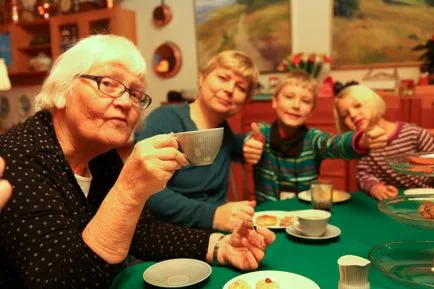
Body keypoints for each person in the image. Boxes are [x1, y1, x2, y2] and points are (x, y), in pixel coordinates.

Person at [0, 35, 275, 289]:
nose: (125, 102)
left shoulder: (99, 154)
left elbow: (140, 231)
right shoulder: (20, 155)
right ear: (64, 86)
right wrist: (129, 192)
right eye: (107, 83)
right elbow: (58, 282)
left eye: (134, 93)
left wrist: (220, 245)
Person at [135, 50, 259, 232]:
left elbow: (236, 144)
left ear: (244, 101)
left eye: (240, 88)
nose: (230, 89)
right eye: (223, 78)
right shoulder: (164, 120)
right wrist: (213, 216)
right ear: (202, 79)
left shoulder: (225, 134)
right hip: (167, 234)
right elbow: (146, 190)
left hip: (216, 233)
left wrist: (250, 142)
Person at [243, 71, 388, 203]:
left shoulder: (313, 139)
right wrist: (251, 145)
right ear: (274, 101)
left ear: (311, 111)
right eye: (289, 97)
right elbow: (252, 138)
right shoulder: (262, 133)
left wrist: (362, 140)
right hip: (267, 218)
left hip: (304, 217)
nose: (296, 105)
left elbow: (334, 144)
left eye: (305, 101)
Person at [334, 84, 434, 200]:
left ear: (373, 103)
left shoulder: (414, 134)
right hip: (392, 202)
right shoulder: (362, 146)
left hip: (425, 198)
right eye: (344, 115)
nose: (353, 114)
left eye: (357, 106)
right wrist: (375, 187)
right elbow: (364, 175)